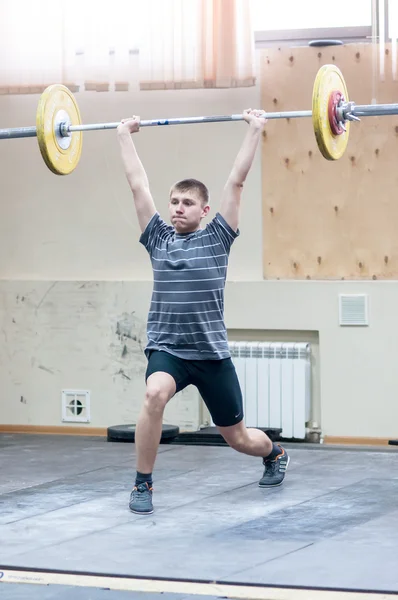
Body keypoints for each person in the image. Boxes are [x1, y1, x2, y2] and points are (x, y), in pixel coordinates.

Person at [117, 109, 289, 515]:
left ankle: (276, 453)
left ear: (204, 210)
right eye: (174, 201)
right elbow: (137, 185)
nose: (177, 208)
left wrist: (255, 128)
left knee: (239, 438)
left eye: (187, 202)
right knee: (153, 392)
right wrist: (125, 134)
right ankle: (143, 484)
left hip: (211, 355)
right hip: (169, 350)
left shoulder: (217, 238)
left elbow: (237, 180)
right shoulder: (157, 237)